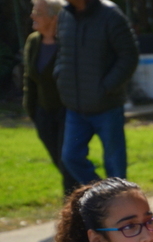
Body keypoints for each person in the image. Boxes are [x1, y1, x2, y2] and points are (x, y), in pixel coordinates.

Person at [55, 0, 138, 184]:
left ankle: (116, 202)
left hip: (106, 106)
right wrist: (59, 75)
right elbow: (62, 51)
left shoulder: (111, 15)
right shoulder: (65, 16)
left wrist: (106, 87)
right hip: (75, 108)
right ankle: (103, 197)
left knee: (115, 166)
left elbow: (129, 56)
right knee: (70, 158)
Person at [23, 0, 79, 197]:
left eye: (38, 12)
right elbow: (29, 78)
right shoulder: (33, 41)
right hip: (43, 113)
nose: (32, 16)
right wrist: (31, 110)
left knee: (67, 160)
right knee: (59, 160)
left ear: (54, 18)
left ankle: (72, 205)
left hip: (68, 111)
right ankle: (83, 197)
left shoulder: (68, 41)